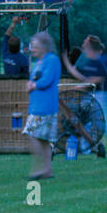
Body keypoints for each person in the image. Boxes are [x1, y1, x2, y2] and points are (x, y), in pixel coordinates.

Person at [60, 35, 107, 156]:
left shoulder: (98, 60)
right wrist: (67, 62)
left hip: (98, 95)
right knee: (84, 122)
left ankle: (93, 146)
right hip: (87, 96)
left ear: (90, 45)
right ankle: (88, 147)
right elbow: (81, 77)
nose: (83, 43)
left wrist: (83, 86)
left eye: (85, 41)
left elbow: (99, 78)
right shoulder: (87, 60)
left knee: (100, 126)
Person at [23, 31, 61, 180]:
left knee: (31, 134)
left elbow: (46, 81)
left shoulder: (52, 60)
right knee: (44, 140)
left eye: (35, 46)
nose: (32, 49)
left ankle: (39, 167)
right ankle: (47, 171)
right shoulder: (39, 62)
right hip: (37, 105)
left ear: (45, 46)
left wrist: (33, 85)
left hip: (44, 107)